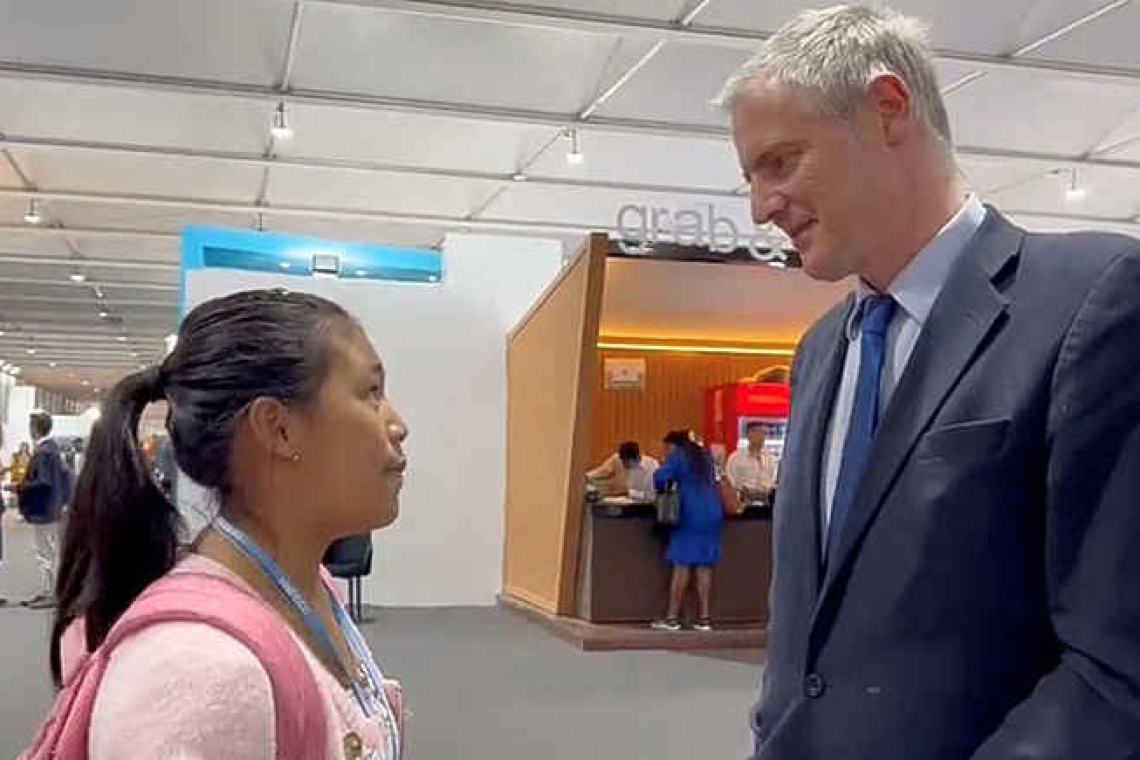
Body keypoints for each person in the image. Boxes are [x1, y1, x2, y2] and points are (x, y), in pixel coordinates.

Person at [717, 5, 1140, 758]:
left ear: (887, 110)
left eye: (781, 161)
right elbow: (807, 641)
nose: (760, 209)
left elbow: (1115, 664)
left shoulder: (1092, 300)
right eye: (751, 177)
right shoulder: (820, 351)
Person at [41, 290, 408, 759]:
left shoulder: (311, 588)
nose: (397, 424)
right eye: (370, 393)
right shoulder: (200, 670)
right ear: (278, 428)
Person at [650, 431, 723, 632]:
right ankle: (704, 619)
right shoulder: (705, 456)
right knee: (704, 566)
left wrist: (665, 463)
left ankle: (672, 618)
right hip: (712, 510)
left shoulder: (678, 456)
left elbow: (659, 478)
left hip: (690, 512)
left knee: (682, 564)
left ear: (674, 445)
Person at [13, 411, 70, 609]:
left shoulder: (43, 452)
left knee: (45, 553)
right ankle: (52, 590)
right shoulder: (55, 450)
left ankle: (51, 592)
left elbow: (42, 482)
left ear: (35, 429)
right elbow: (65, 478)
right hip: (55, 509)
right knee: (52, 551)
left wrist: (18, 487)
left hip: (43, 510)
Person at [586, 441, 659, 499]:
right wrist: (585, 477)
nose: (624, 464)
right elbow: (601, 471)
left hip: (643, 507)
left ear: (637, 458)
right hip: (618, 502)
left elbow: (652, 495)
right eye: (622, 461)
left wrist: (630, 492)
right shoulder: (616, 459)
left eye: (626, 462)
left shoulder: (652, 465)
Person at [725, 422, 776, 503]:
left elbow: (772, 479)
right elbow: (730, 480)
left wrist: (768, 490)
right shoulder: (735, 457)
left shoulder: (770, 458)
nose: (762, 437)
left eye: (764, 433)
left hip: (766, 501)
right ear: (749, 435)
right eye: (758, 432)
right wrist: (742, 491)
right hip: (743, 501)